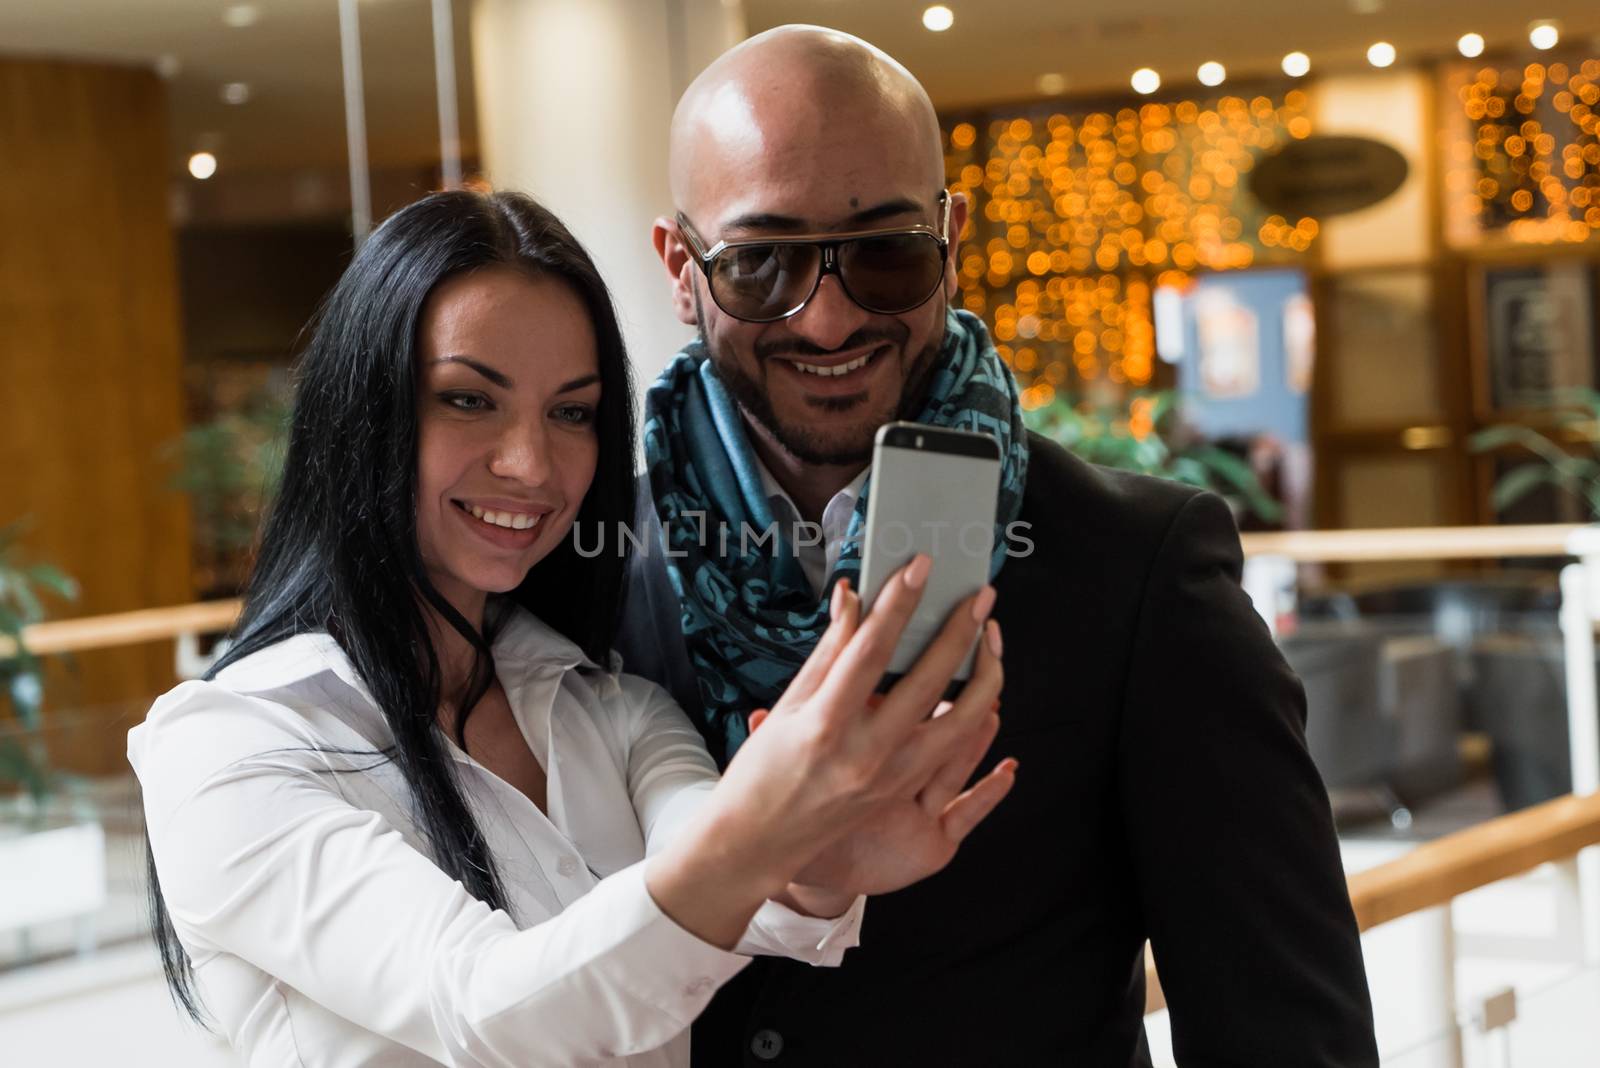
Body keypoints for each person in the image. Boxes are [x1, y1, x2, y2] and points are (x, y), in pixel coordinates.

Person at [618, 25, 1380, 1066]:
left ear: (950, 236)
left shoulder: (1138, 568)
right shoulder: (582, 567)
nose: (829, 317)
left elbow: (1285, 1034)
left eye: (885, 253)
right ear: (679, 265)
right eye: (760, 263)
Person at [130, 190, 1016, 1067]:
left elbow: (734, 894)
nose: (531, 466)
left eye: (572, 412)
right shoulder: (231, 742)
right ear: (362, 407)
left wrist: (821, 858)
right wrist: (765, 827)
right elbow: (489, 1008)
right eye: (468, 400)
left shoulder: (614, 709)